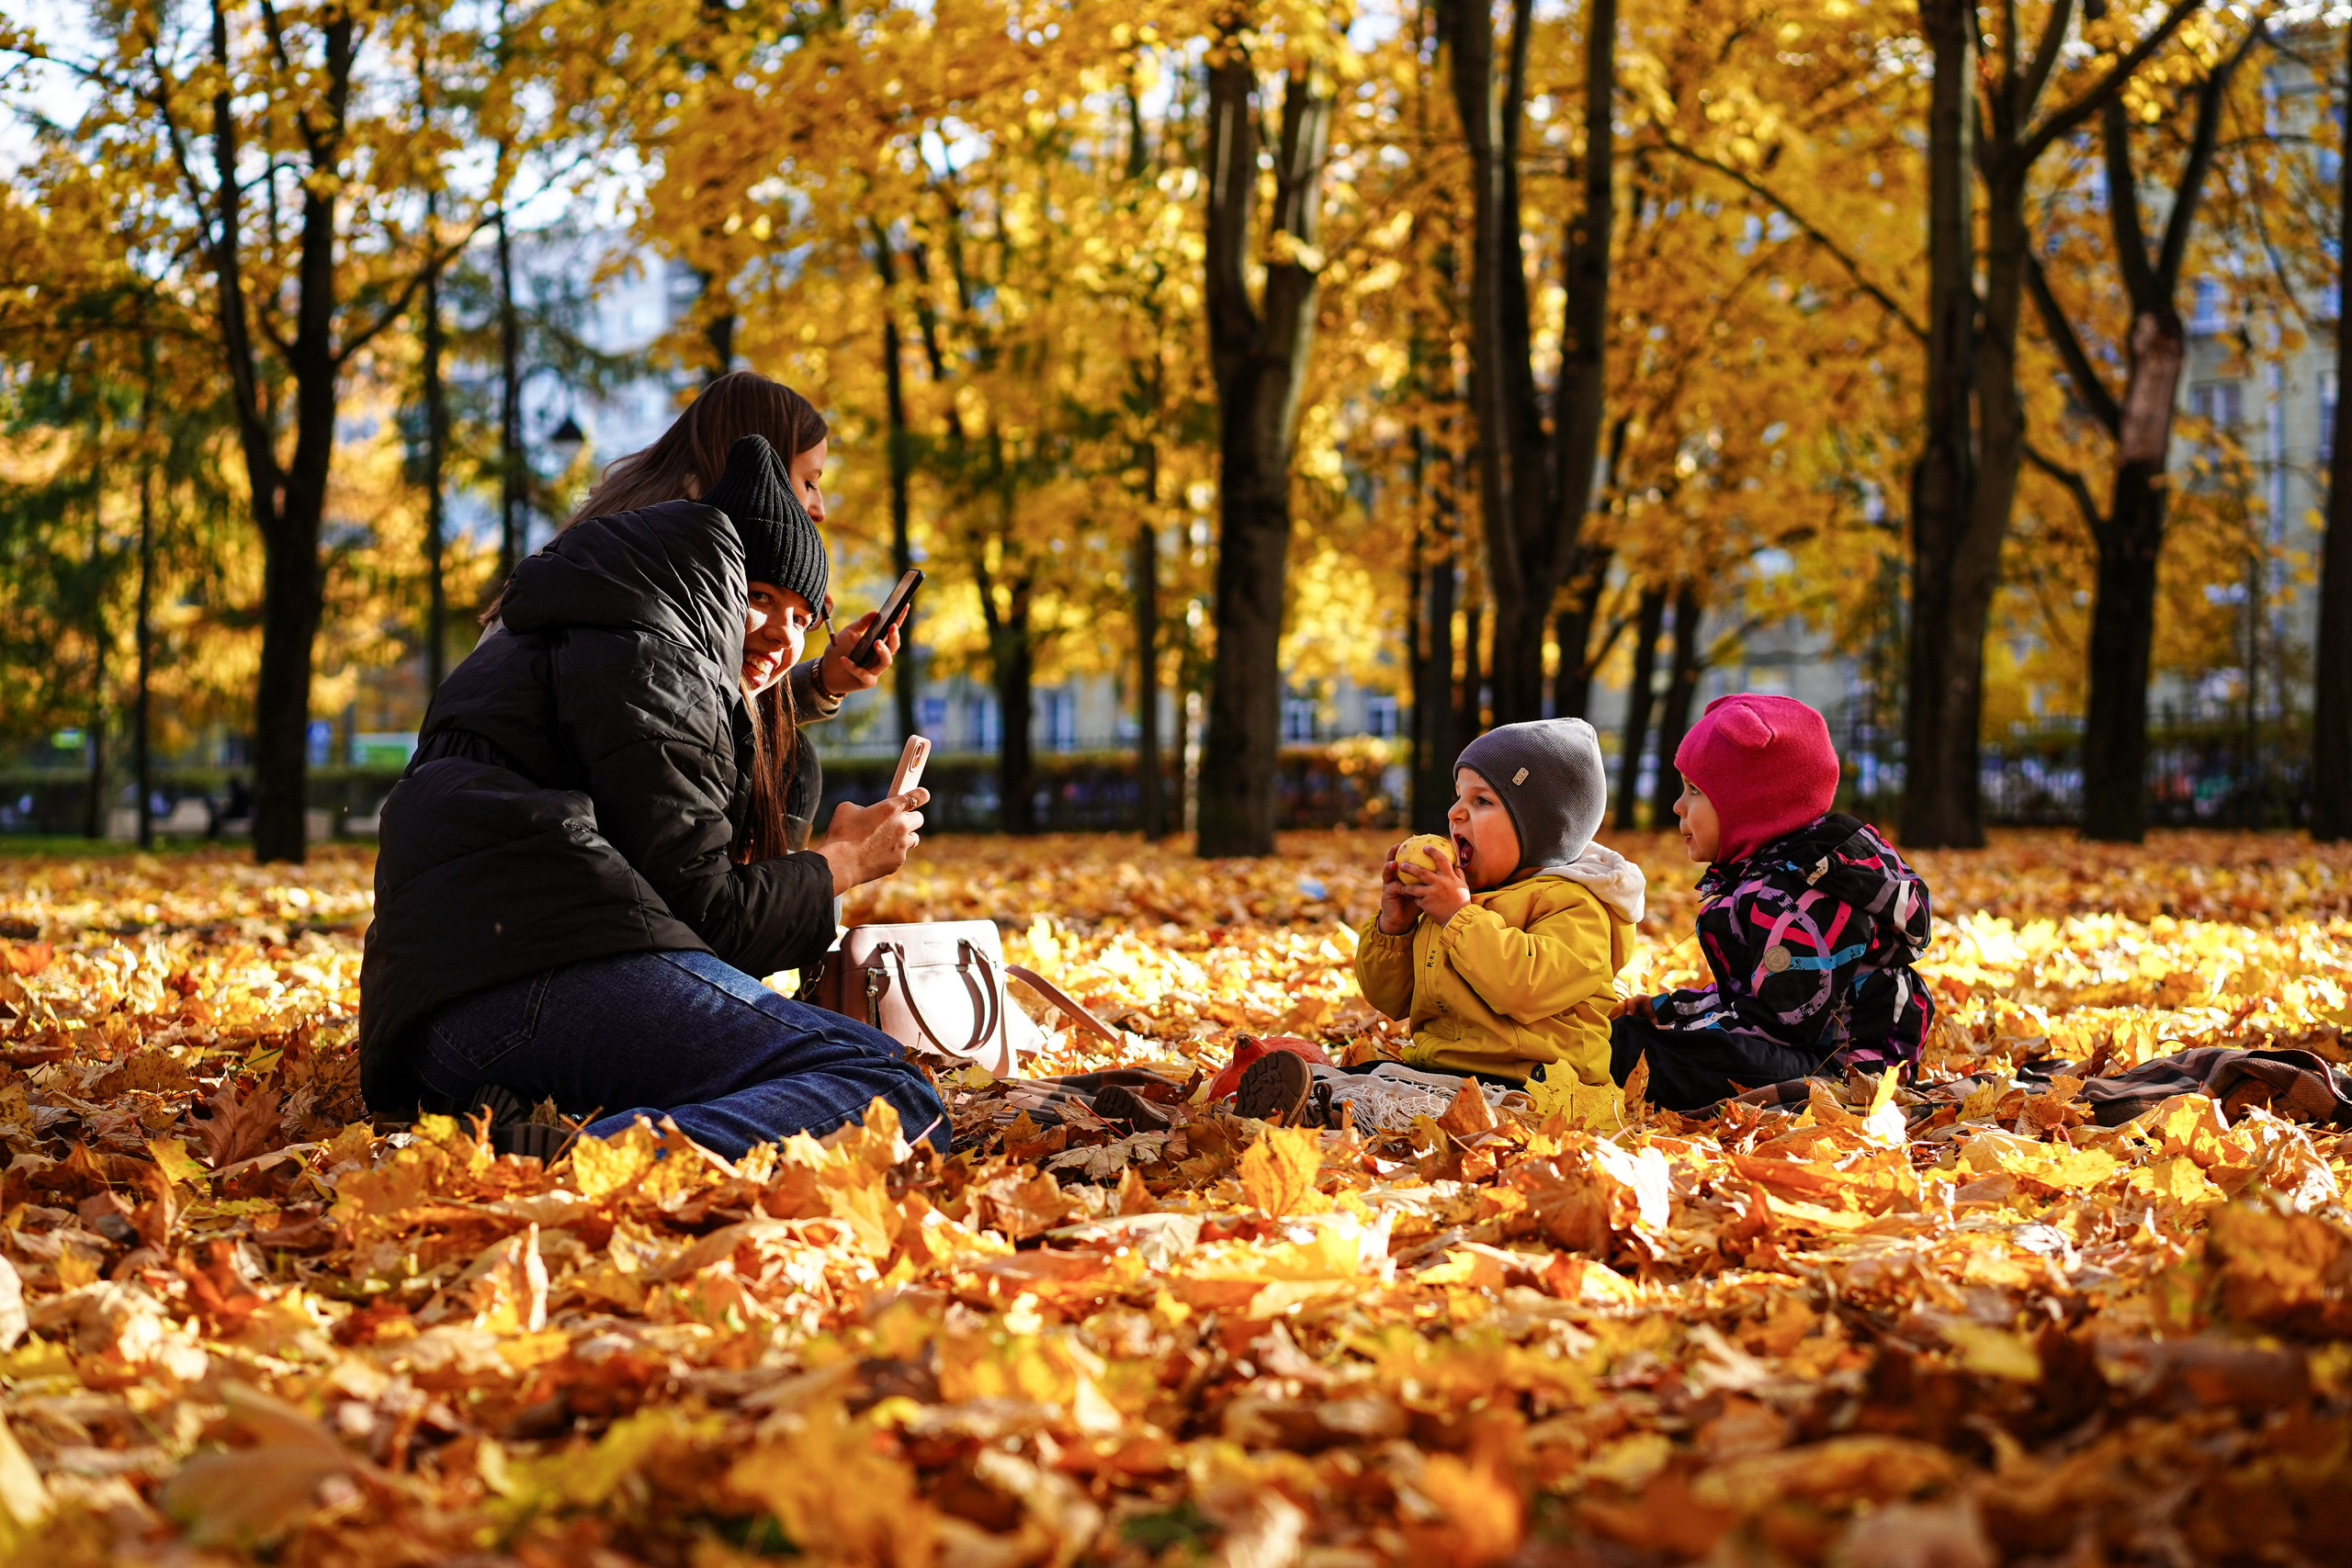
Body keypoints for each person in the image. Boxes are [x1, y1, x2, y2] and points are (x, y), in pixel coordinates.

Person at [358, 381, 945, 1159]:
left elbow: (685, 740)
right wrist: (840, 862)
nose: (819, 504)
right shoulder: (653, 636)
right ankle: (576, 1166)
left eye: (804, 617)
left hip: (464, 990)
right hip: (530, 971)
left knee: (832, 1063)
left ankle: (543, 1122)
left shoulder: (629, 582)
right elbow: (708, 897)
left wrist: (816, 685)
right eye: (807, 479)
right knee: (886, 1090)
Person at [1234, 718, 1645, 1129]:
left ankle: (1332, 1115)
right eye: (1457, 797)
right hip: (1442, 1069)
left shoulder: (1576, 906)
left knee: (1416, 1103)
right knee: (1365, 1076)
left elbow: (1524, 987)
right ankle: (1307, 1100)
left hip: (1533, 1085)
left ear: (1540, 827)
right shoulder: (1457, 896)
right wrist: (1394, 929)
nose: (1455, 812)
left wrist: (1458, 917)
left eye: (1481, 801)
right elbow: (1391, 1000)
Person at [1611, 694, 1935, 1112]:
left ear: (1751, 805)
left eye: (1695, 790)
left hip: (1843, 1074)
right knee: (1653, 1043)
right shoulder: (1775, 876)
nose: (1678, 805)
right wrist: (1671, 1010)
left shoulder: (1797, 899)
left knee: (1642, 1052)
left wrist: (1679, 1032)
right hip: (1808, 1046)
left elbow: (1779, 1026)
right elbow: (1755, 998)